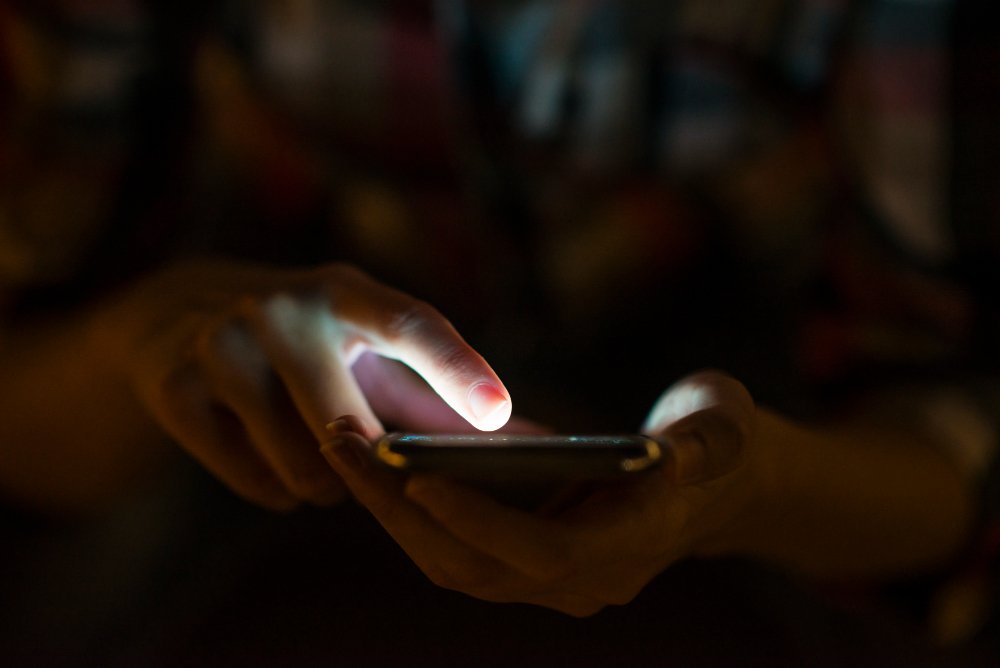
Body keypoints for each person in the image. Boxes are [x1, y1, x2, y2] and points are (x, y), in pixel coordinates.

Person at [1, 0, 998, 664]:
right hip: (290, 280)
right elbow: (26, 391)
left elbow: (949, 433)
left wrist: (756, 482)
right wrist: (136, 340)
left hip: (739, 314)